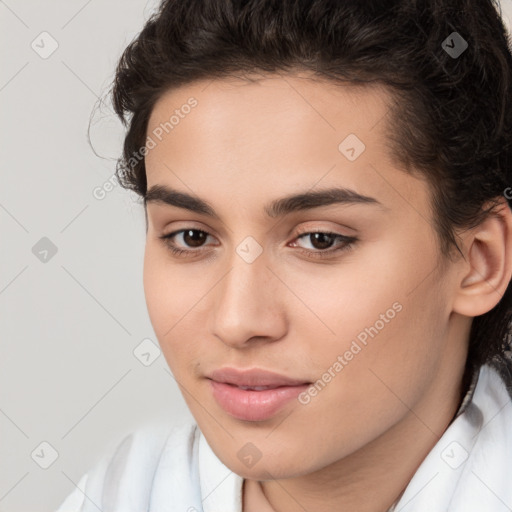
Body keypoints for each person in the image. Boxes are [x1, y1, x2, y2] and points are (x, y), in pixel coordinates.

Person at [56, 0, 512, 510]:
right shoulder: (123, 491)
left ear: (479, 261)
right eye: (191, 236)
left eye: (320, 239)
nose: (237, 321)